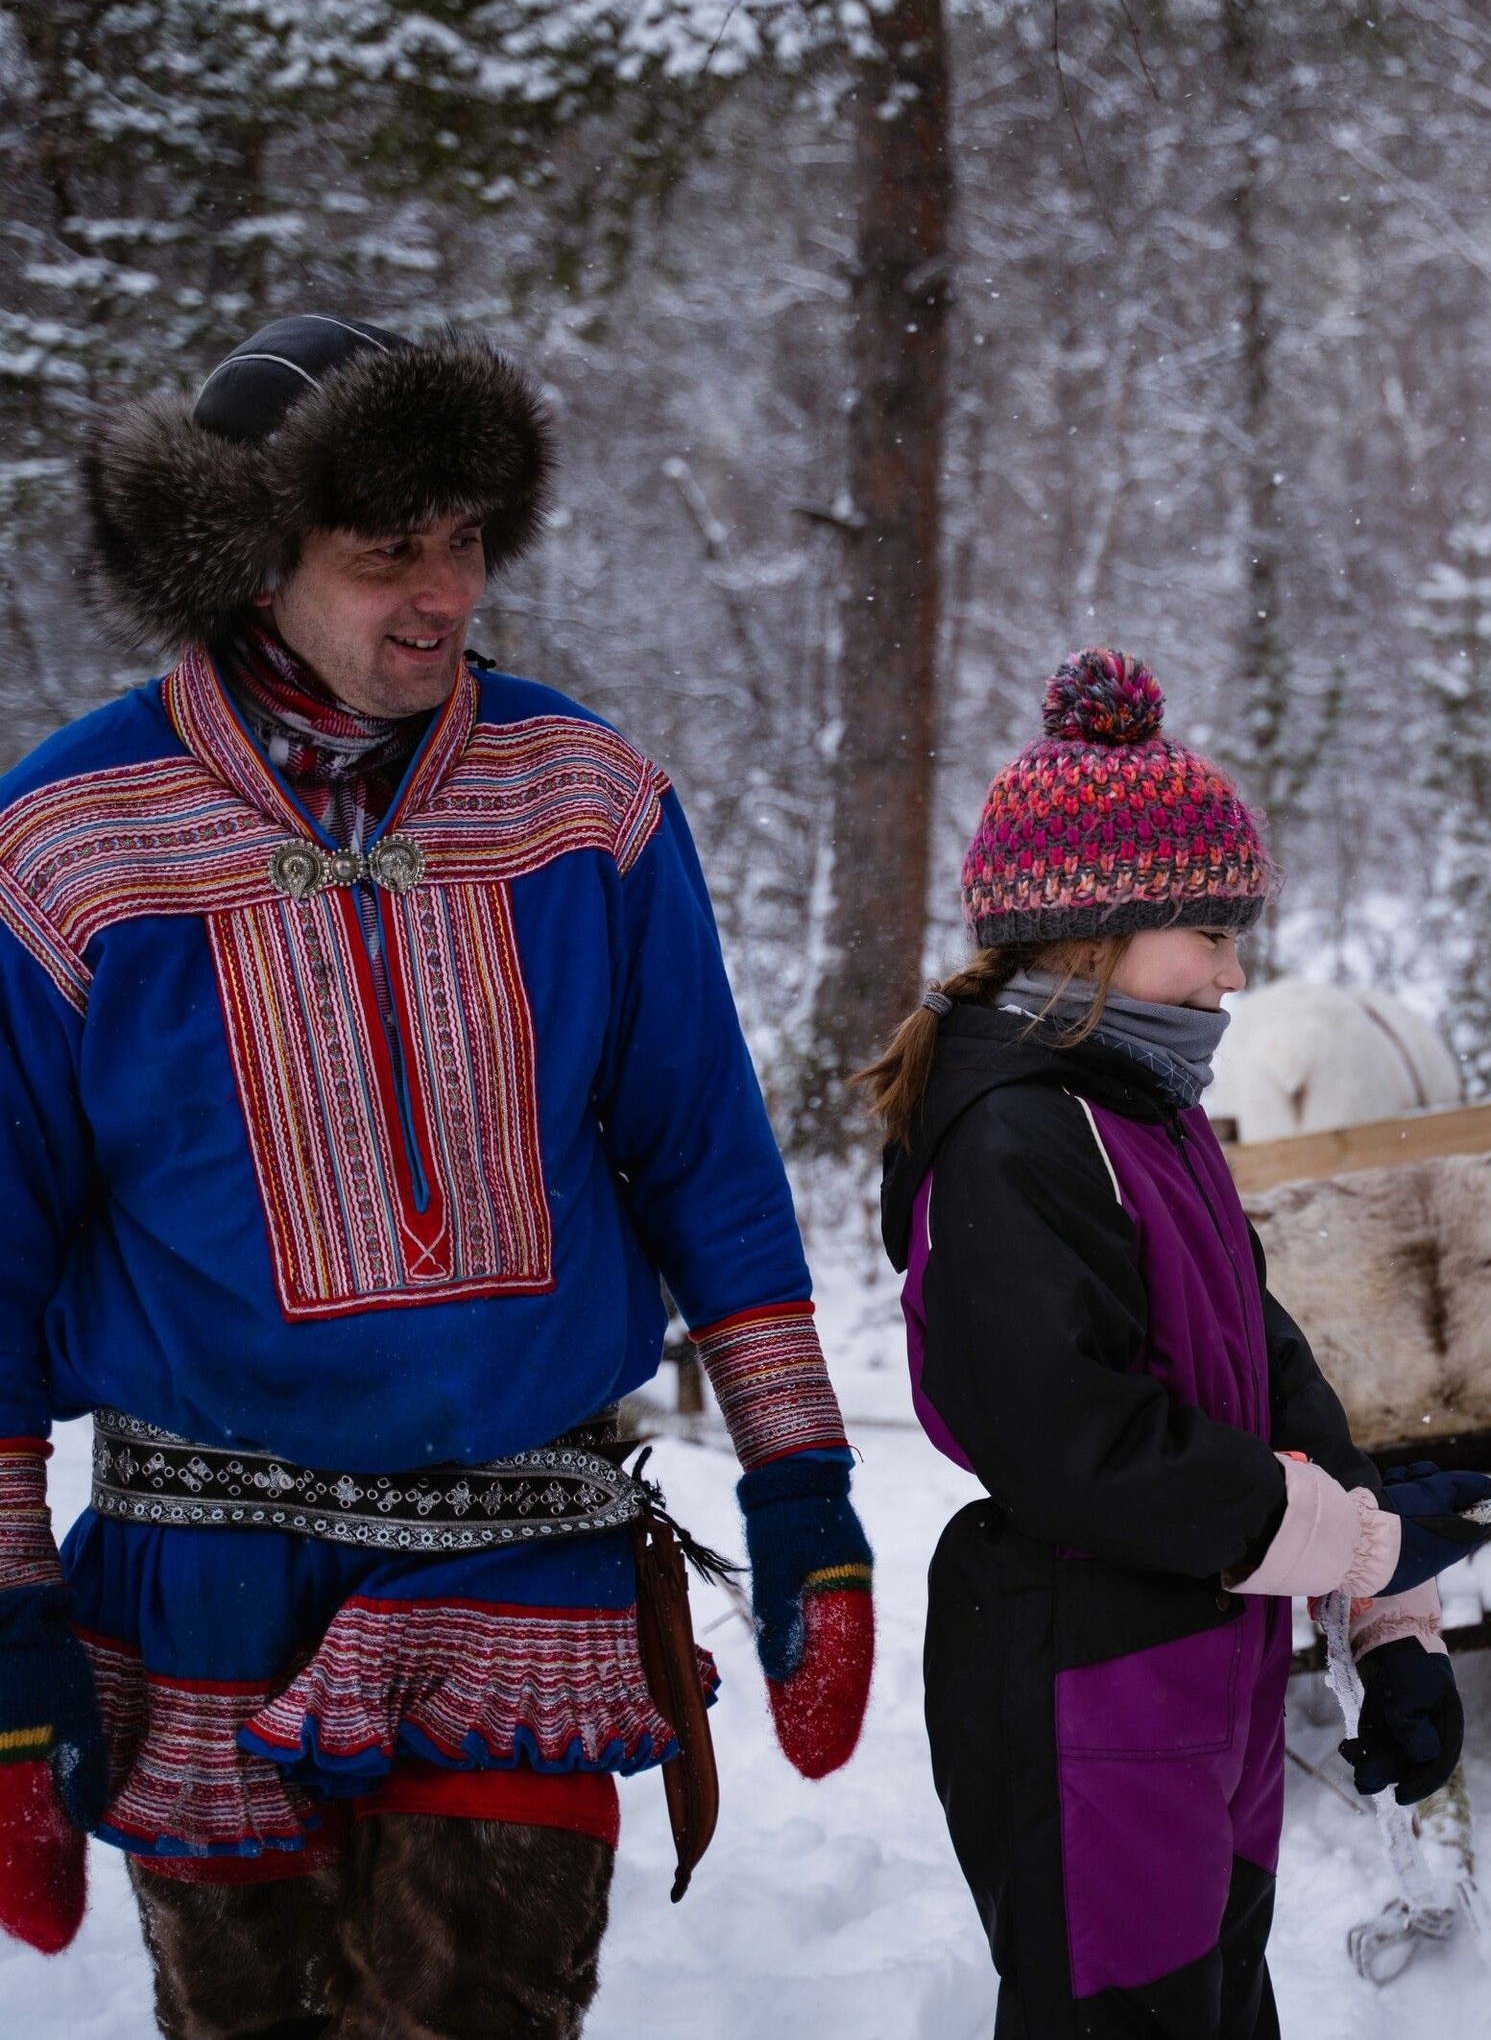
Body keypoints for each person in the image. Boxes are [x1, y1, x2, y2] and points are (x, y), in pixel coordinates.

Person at [0, 315, 873, 2036]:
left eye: (467, 540)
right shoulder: (65, 841)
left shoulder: (589, 800)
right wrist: (11, 1618)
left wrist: (805, 1495)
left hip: (518, 1556)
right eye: (388, 549)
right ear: (253, 559)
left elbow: (706, 1158)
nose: (446, 591)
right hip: (199, 1575)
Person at [867, 649, 1485, 2040]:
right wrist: (1345, 1545)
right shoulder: (1012, 1134)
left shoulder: (1151, 1114)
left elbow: (1267, 1370)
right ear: (1094, 931)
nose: (1234, 965)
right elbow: (1076, 1445)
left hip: (1206, 1679)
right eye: (1207, 927)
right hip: (1087, 1681)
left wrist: (1389, 1622)